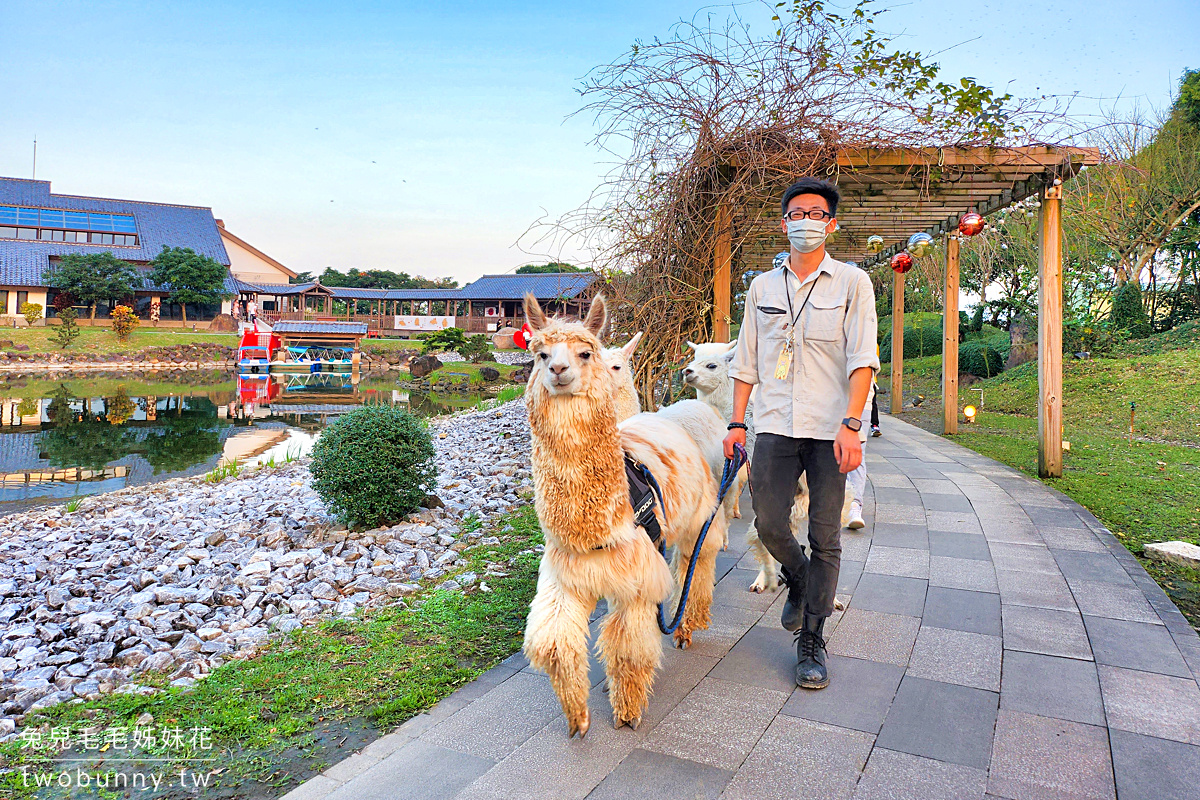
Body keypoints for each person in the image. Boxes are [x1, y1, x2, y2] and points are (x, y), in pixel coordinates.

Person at [724, 177, 878, 690]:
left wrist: (853, 424)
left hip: (831, 427)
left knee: (825, 535)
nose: (806, 221)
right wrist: (735, 423)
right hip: (772, 425)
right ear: (784, 221)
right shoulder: (762, 288)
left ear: (831, 223)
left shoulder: (853, 284)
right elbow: (746, 361)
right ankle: (801, 579)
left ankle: (811, 640)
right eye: (797, 212)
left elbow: (863, 361)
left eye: (817, 213)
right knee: (769, 523)